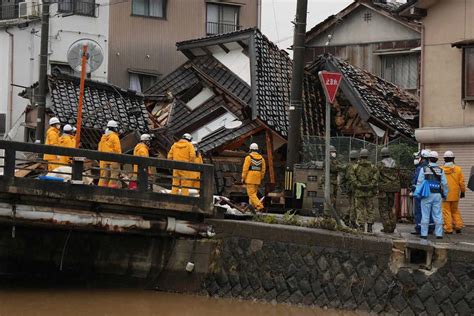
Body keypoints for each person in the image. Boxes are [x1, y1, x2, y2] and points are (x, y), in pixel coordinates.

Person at [415, 151, 448, 239]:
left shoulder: (424, 169)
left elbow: (419, 182)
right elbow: (444, 184)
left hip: (426, 194)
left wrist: (417, 193)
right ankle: (439, 234)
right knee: (437, 214)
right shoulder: (441, 170)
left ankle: (424, 234)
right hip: (437, 194)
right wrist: (445, 194)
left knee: (425, 214)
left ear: (429, 159)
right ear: (437, 159)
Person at [349, 149, 378, 233]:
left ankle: (361, 226)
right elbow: (376, 177)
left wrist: (358, 184)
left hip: (358, 192)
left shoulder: (355, 167)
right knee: (370, 209)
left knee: (359, 209)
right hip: (369, 192)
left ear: (360, 156)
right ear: (367, 156)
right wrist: (371, 184)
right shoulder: (372, 167)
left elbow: (352, 178)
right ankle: (369, 226)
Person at [441, 151, 466, 234]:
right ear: (453, 158)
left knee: (446, 211)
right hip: (455, 194)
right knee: (455, 210)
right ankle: (458, 226)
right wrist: (462, 191)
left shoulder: (441, 169)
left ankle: (448, 228)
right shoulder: (458, 169)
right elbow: (461, 182)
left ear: (444, 159)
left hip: (445, 194)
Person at [377, 147, 400, 233]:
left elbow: (376, 175)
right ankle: (393, 226)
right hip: (393, 189)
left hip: (383, 189)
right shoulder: (395, 163)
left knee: (383, 208)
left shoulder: (380, 164)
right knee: (391, 207)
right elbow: (398, 174)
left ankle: (387, 227)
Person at [411, 149, 434, 235]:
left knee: (419, 211)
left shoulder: (420, 168)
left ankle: (419, 228)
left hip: (420, 193)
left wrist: (413, 190)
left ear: (423, 158)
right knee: (430, 210)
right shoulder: (434, 167)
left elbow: (416, 181)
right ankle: (431, 228)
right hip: (432, 192)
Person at [241, 143, 266, 212]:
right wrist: (261, 177)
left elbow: (245, 169)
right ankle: (251, 208)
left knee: (251, 194)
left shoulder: (248, 157)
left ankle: (260, 206)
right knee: (253, 194)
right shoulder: (262, 159)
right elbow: (263, 170)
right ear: (257, 150)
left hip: (250, 179)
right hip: (257, 179)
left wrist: (243, 177)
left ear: (250, 149)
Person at [98, 120, 122, 188]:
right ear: (114, 128)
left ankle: (103, 190)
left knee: (105, 177)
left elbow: (101, 148)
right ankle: (111, 191)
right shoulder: (114, 137)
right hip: (114, 160)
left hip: (105, 160)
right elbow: (117, 149)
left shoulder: (103, 137)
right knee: (114, 176)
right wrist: (120, 158)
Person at [343, 150, 359, 228]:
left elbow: (343, 178)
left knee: (351, 205)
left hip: (348, 187)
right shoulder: (357, 166)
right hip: (355, 187)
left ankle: (346, 218)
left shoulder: (347, 166)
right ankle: (352, 221)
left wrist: (343, 188)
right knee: (354, 205)